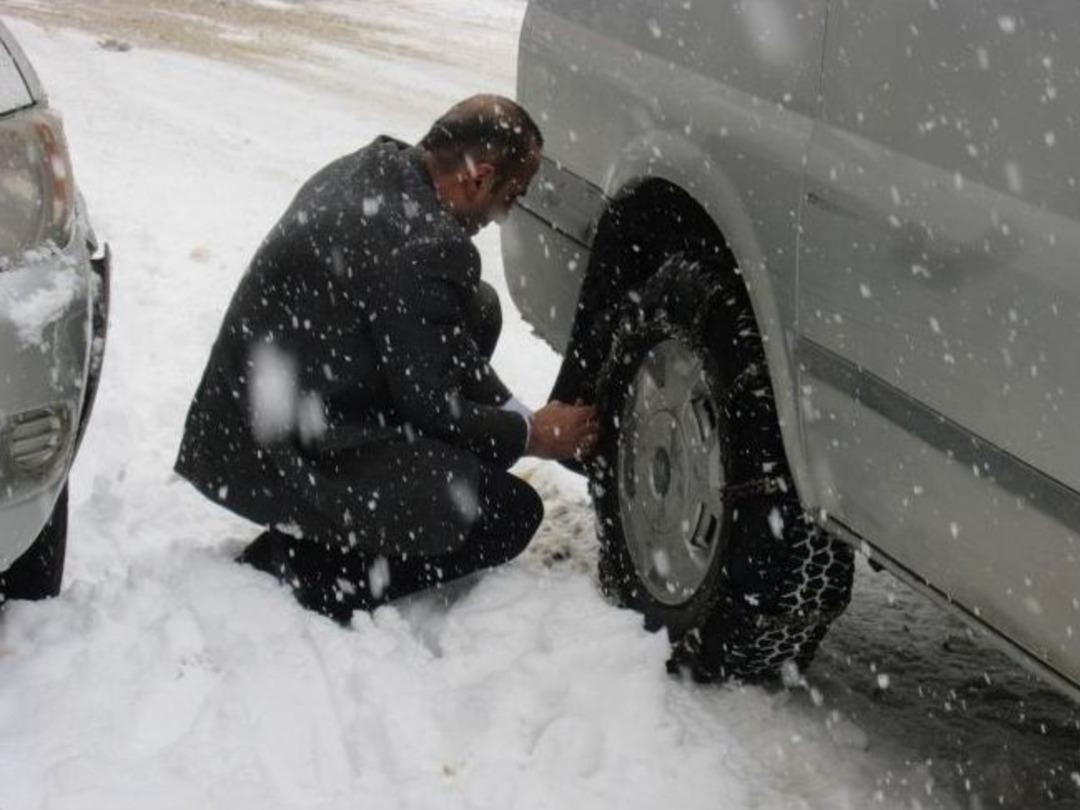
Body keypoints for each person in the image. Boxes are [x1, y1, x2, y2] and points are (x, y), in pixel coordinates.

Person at [174, 95, 598, 623]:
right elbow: (434, 407)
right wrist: (532, 437)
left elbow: (440, 349)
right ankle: (304, 570)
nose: (504, 214)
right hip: (290, 447)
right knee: (508, 515)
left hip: (257, 413)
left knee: (477, 306)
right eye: (511, 196)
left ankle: (400, 490)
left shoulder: (376, 166)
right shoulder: (422, 247)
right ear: (479, 177)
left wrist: (520, 416)